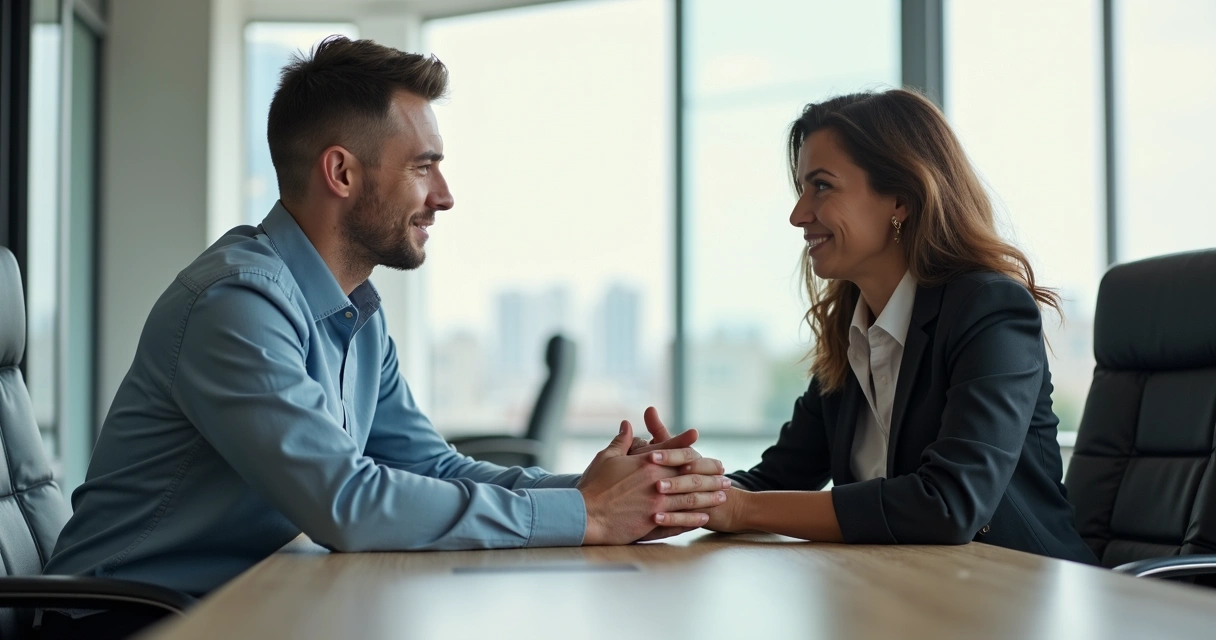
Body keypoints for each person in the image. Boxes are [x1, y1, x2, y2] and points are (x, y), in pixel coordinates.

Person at [39, 37, 728, 639]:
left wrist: (610, 487)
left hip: (236, 602)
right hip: (126, 619)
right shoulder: (235, 305)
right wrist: (585, 514)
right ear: (341, 173)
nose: (446, 195)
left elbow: (434, 468)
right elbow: (349, 504)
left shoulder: (354, 313)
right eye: (423, 167)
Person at [670, 89, 1097, 564]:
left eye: (822, 186)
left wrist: (742, 507)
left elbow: (949, 505)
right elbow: (777, 480)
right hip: (903, 588)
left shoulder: (990, 310)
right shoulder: (851, 330)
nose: (798, 215)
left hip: (1020, 594)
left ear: (900, 199)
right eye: (800, 190)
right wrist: (681, 484)